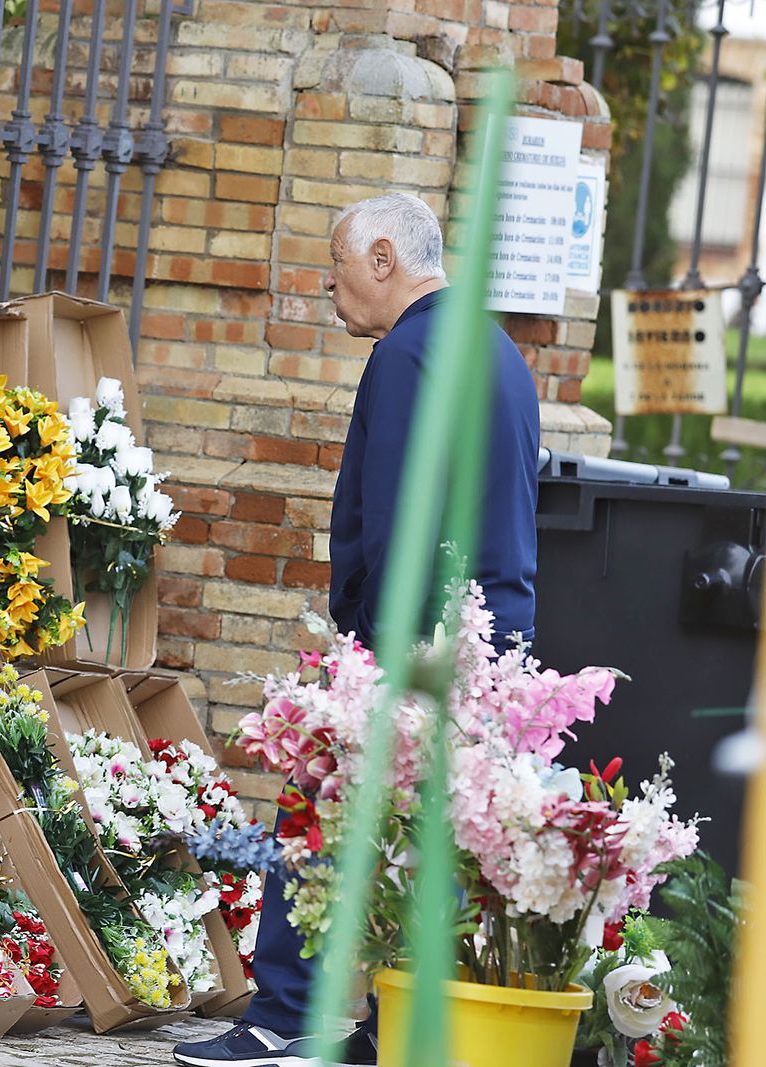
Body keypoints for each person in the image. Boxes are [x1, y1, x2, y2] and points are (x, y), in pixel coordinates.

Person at [171, 193, 540, 1067]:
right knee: (435, 839)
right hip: (494, 638)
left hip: (415, 640)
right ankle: (393, 1023)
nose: (329, 288)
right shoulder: (499, 353)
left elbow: (393, 522)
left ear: (383, 259)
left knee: (317, 804)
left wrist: (363, 650)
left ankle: (282, 1015)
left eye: (336, 267)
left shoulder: (409, 353)